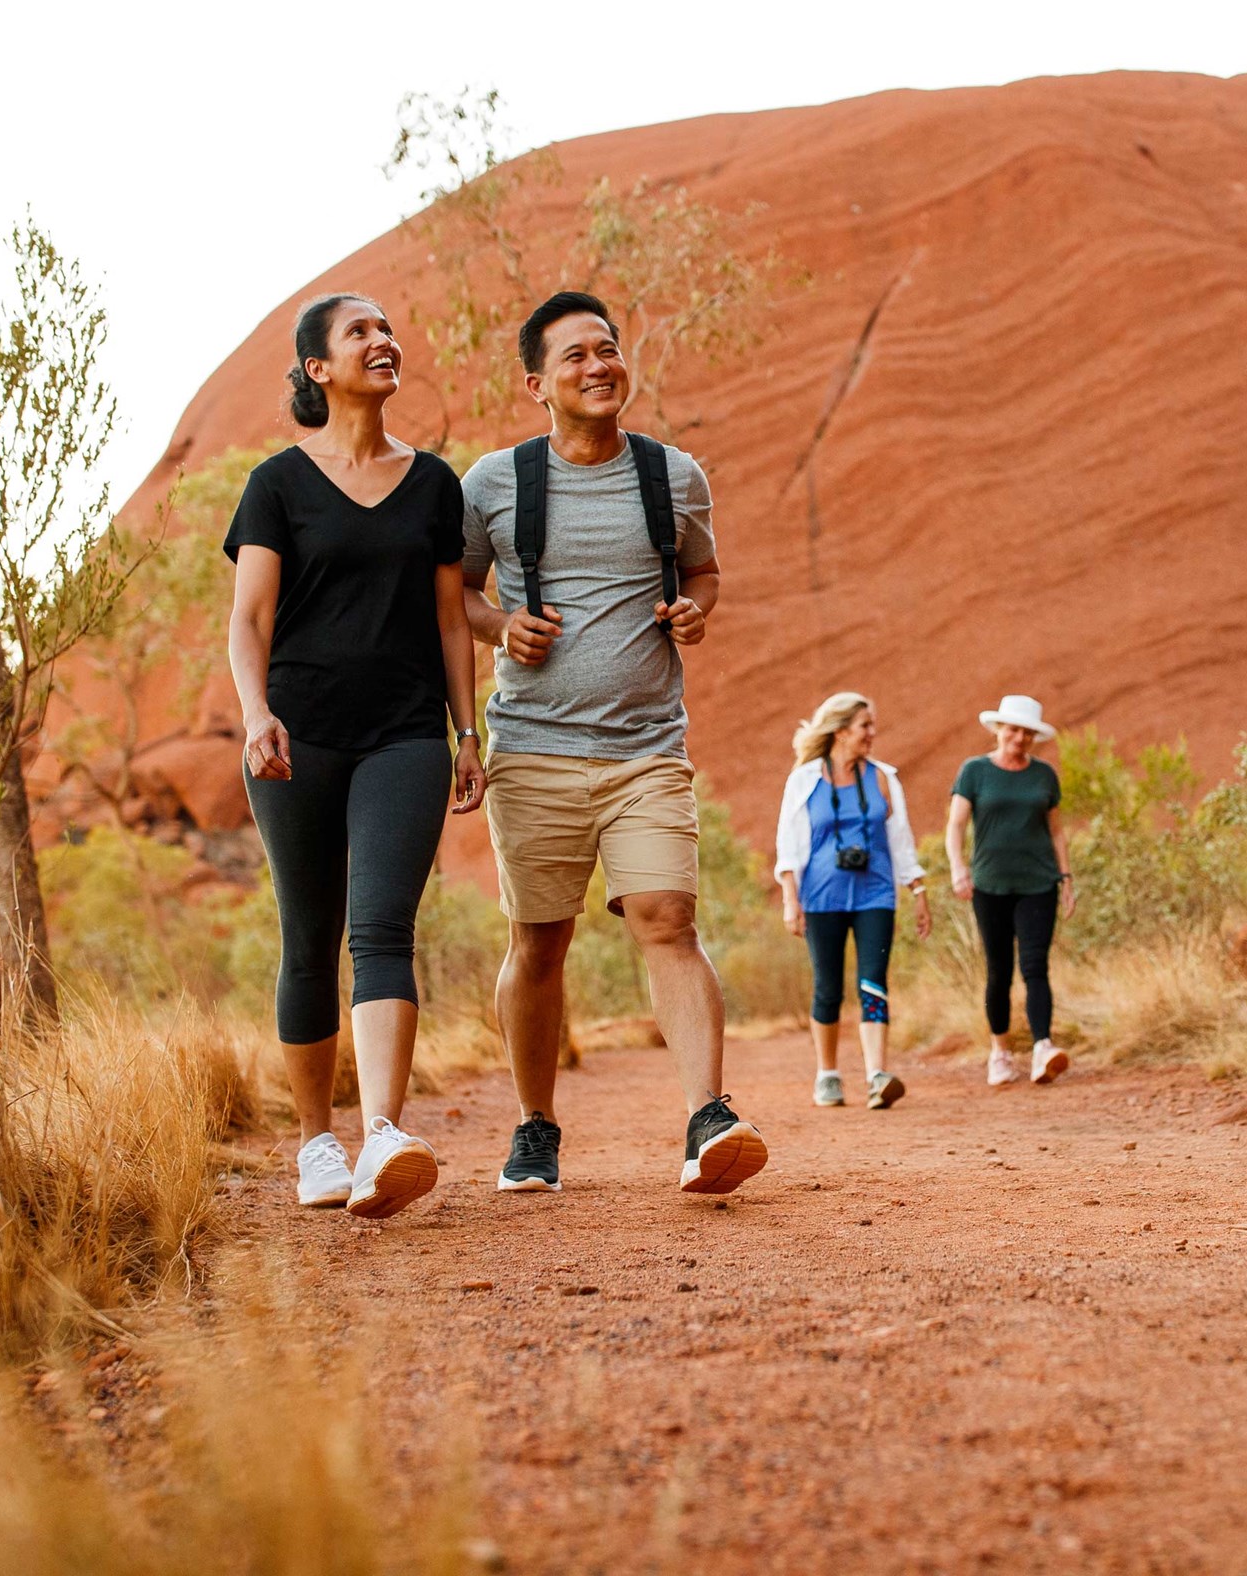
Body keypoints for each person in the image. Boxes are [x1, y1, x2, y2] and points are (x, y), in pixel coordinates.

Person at [460, 290, 766, 1196]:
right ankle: (535, 1127)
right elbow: (461, 595)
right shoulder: (495, 482)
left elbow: (706, 574)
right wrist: (500, 628)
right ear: (535, 385)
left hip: (646, 749)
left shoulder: (674, 475)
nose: (600, 366)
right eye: (575, 358)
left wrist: (693, 612)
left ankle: (709, 1117)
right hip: (534, 749)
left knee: (669, 921)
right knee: (539, 943)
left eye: (609, 349)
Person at [225, 292, 486, 1220]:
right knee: (310, 936)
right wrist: (256, 714)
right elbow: (250, 618)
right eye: (359, 332)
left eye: (387, 328)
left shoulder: (433, 484)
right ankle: (315, 1144)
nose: (384, 340)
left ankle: (382, 1133)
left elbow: (452, 618)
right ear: (317, 369)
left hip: (405, 732)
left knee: (381, 927)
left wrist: (465, 730)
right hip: (297, 733)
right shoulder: (277, 484)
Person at [774, 693, 931, 1110]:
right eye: (865, 726)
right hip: (821, 895)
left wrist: (917, 890)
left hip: (875, 893)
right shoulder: (804, 779)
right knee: (827, 987)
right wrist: (791, 900)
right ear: (841, 730)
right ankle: (827, 1074)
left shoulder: (883, 778)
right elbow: (788, 847)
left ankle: (877, 1074)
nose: (872, 733)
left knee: (873, 981)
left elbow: (900, 839)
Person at [946, 693, 1076, 1087]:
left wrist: (1066, 878)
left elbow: (1056, 830)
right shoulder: (974, 772)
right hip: (990, 885)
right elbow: (955, 825)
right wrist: (958, 868)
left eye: (1027, 732)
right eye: (1013, 729)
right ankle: (1000, 1053)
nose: (1019, 738)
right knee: (999, 970)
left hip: (1038, 883)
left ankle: (1042, 1048)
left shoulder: (1043, 776)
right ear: (998, 730)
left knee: (1035, 965)